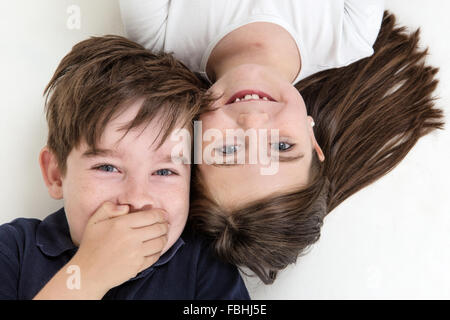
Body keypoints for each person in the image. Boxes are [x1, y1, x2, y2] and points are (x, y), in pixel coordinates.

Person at [120, 1, 445, 284]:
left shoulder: (158, 35)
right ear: (312, 137)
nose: (253, 120)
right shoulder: (350, 33)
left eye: (228, 149)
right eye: (282, 147)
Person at [0, 35, 250, 300]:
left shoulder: (204, 264)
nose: (137, 198)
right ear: (55, 175)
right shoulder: (12, 250)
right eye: (107, 167)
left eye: (165, 172)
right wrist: (89, 275)